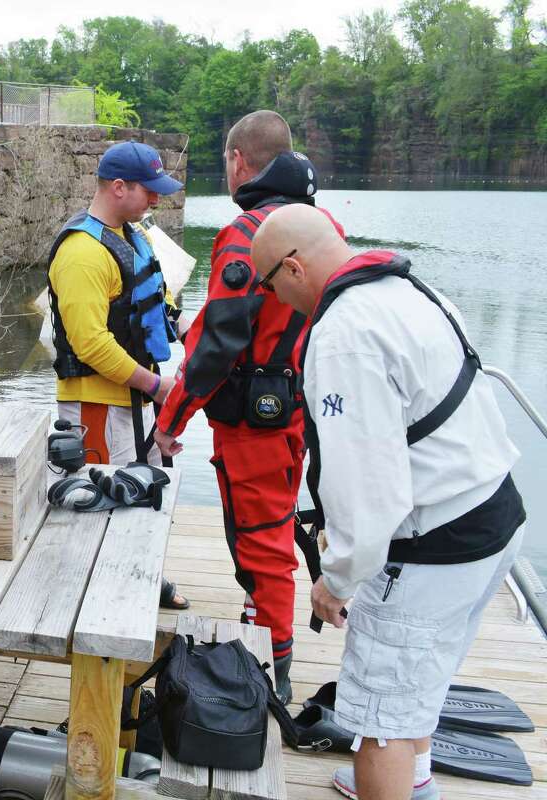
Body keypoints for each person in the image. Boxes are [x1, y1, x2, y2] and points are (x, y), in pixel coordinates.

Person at [251, 203, 525, 800]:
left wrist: (338, 579)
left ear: (293, 269)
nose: (276, 300)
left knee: (380, 721)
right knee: (417, 678)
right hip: (494, 512)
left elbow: (367, 487)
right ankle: (416, 780)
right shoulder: (409, 286)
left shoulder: (344, 335)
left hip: (434, 545)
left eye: (271, 284)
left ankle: (394, 782)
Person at [153, 111, 344, 701]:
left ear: (238, 160)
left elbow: (218, 342)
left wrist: (170, 419)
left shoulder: (247, 234)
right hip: (296, 415)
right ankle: (262, 639)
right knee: (275, 530)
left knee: (261, 544)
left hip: (253, 422)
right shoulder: (322, 225)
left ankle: (272, 682)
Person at [46, 140, 190, 611]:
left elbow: (155, 304)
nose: (156, 199)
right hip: (97, 406)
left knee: (141, 490)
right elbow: (90, 343)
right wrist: (156, 385)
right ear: (118, 186)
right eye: (148, 190)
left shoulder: (133, 237)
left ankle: (140, 579)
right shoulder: (83, 253)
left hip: (135, 397)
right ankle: (95, 602)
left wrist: (194, 340)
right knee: (100, 502)